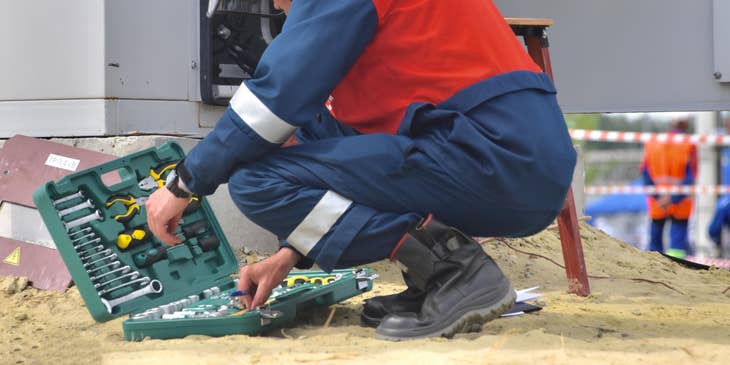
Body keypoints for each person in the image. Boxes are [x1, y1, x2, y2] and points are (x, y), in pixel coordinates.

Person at [145, 0, 576, 340]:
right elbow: (328, 149)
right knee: (310, 128)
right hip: (509, 156)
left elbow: (272, 100)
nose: (276, 9)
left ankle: (456, 271)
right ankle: (435, 279)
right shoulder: (375, 30)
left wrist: (184, 183)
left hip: (494, 156)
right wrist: (288, 254)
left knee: (256, 182)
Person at [640, 118, 697, 258]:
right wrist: (673, 198)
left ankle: (654, 273)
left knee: (655, 246)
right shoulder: (689, 144)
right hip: (681, 203)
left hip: (658, 202)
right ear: (686, 124)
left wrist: (660, 198)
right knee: (677, 248)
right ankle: (676, 274)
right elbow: (691, 177)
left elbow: (645, 173)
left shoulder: (653, 143)